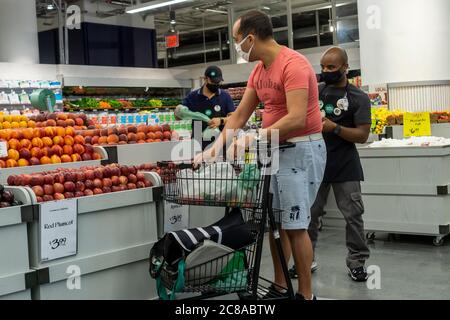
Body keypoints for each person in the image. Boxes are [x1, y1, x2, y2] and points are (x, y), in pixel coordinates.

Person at [195, 10, 326, 300]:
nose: (236, 46)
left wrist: (254, 137)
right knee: (275, 223)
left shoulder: (294, 65)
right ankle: (280, 287)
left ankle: (305, 295)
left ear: (251, 38)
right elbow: (240, 115)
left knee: (295, 224)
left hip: (300, 148)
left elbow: (296, 118)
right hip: (273, 149)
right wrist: (215, 149)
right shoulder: (259, 71)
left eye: (237, 40)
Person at [288, 46, 371, 282]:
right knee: (309, 215)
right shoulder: (316, 91)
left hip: (346, 165)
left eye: (331, 67)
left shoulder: (359, 98)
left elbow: (362, 135)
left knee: (353, 215)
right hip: (315, 163)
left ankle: (357, 262)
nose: (326, 71)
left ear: (345, 67)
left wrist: (334, 127)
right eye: (323, 67)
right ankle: (306, 259)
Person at [181, 66, 235, 150]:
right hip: (198, 145)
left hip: (220, 144)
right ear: (205, 79)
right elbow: (179, 115)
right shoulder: (193, 96)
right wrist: (178, 111)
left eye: (218, 82)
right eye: (213, 82)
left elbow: (234, 118)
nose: (216, 85)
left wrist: (221, 121)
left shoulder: (225, 96)